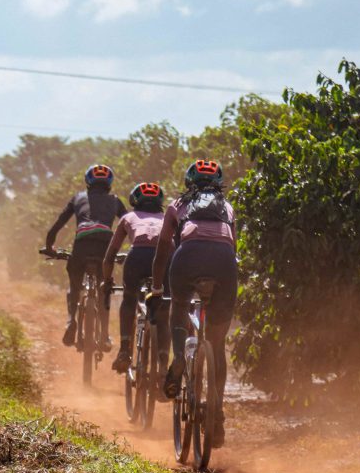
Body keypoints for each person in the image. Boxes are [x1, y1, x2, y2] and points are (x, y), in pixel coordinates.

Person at [150, 159, 237, 447]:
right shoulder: (228, 208)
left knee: (178, 306)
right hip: (224, 263)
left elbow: (163, 247)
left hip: (187, 257)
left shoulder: (176, 205)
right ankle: (218, 414)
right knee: (217, 342)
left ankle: (178, 359)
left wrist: (156, 287)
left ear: (189, 182)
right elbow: (231, 246)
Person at [45, 164, 127, 348]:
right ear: (109, 183)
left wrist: (50, 246)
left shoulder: (78, 198)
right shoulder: (115, 200)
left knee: (74, 285)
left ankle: (71, 321)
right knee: (104, 289)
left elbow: (58, 223)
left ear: (88, 181)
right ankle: (105, 336)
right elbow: (130, 223)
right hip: (105, 246)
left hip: (81, 244)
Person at [102, 182, 171, 374]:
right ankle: (164, 362)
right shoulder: (167, 218)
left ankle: (125, 350)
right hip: (164, 258)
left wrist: (107, 281)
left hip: (137, 257)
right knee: (164, 311)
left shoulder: (127, 217)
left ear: (134, 200)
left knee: (129, 300)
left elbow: (110, 256)